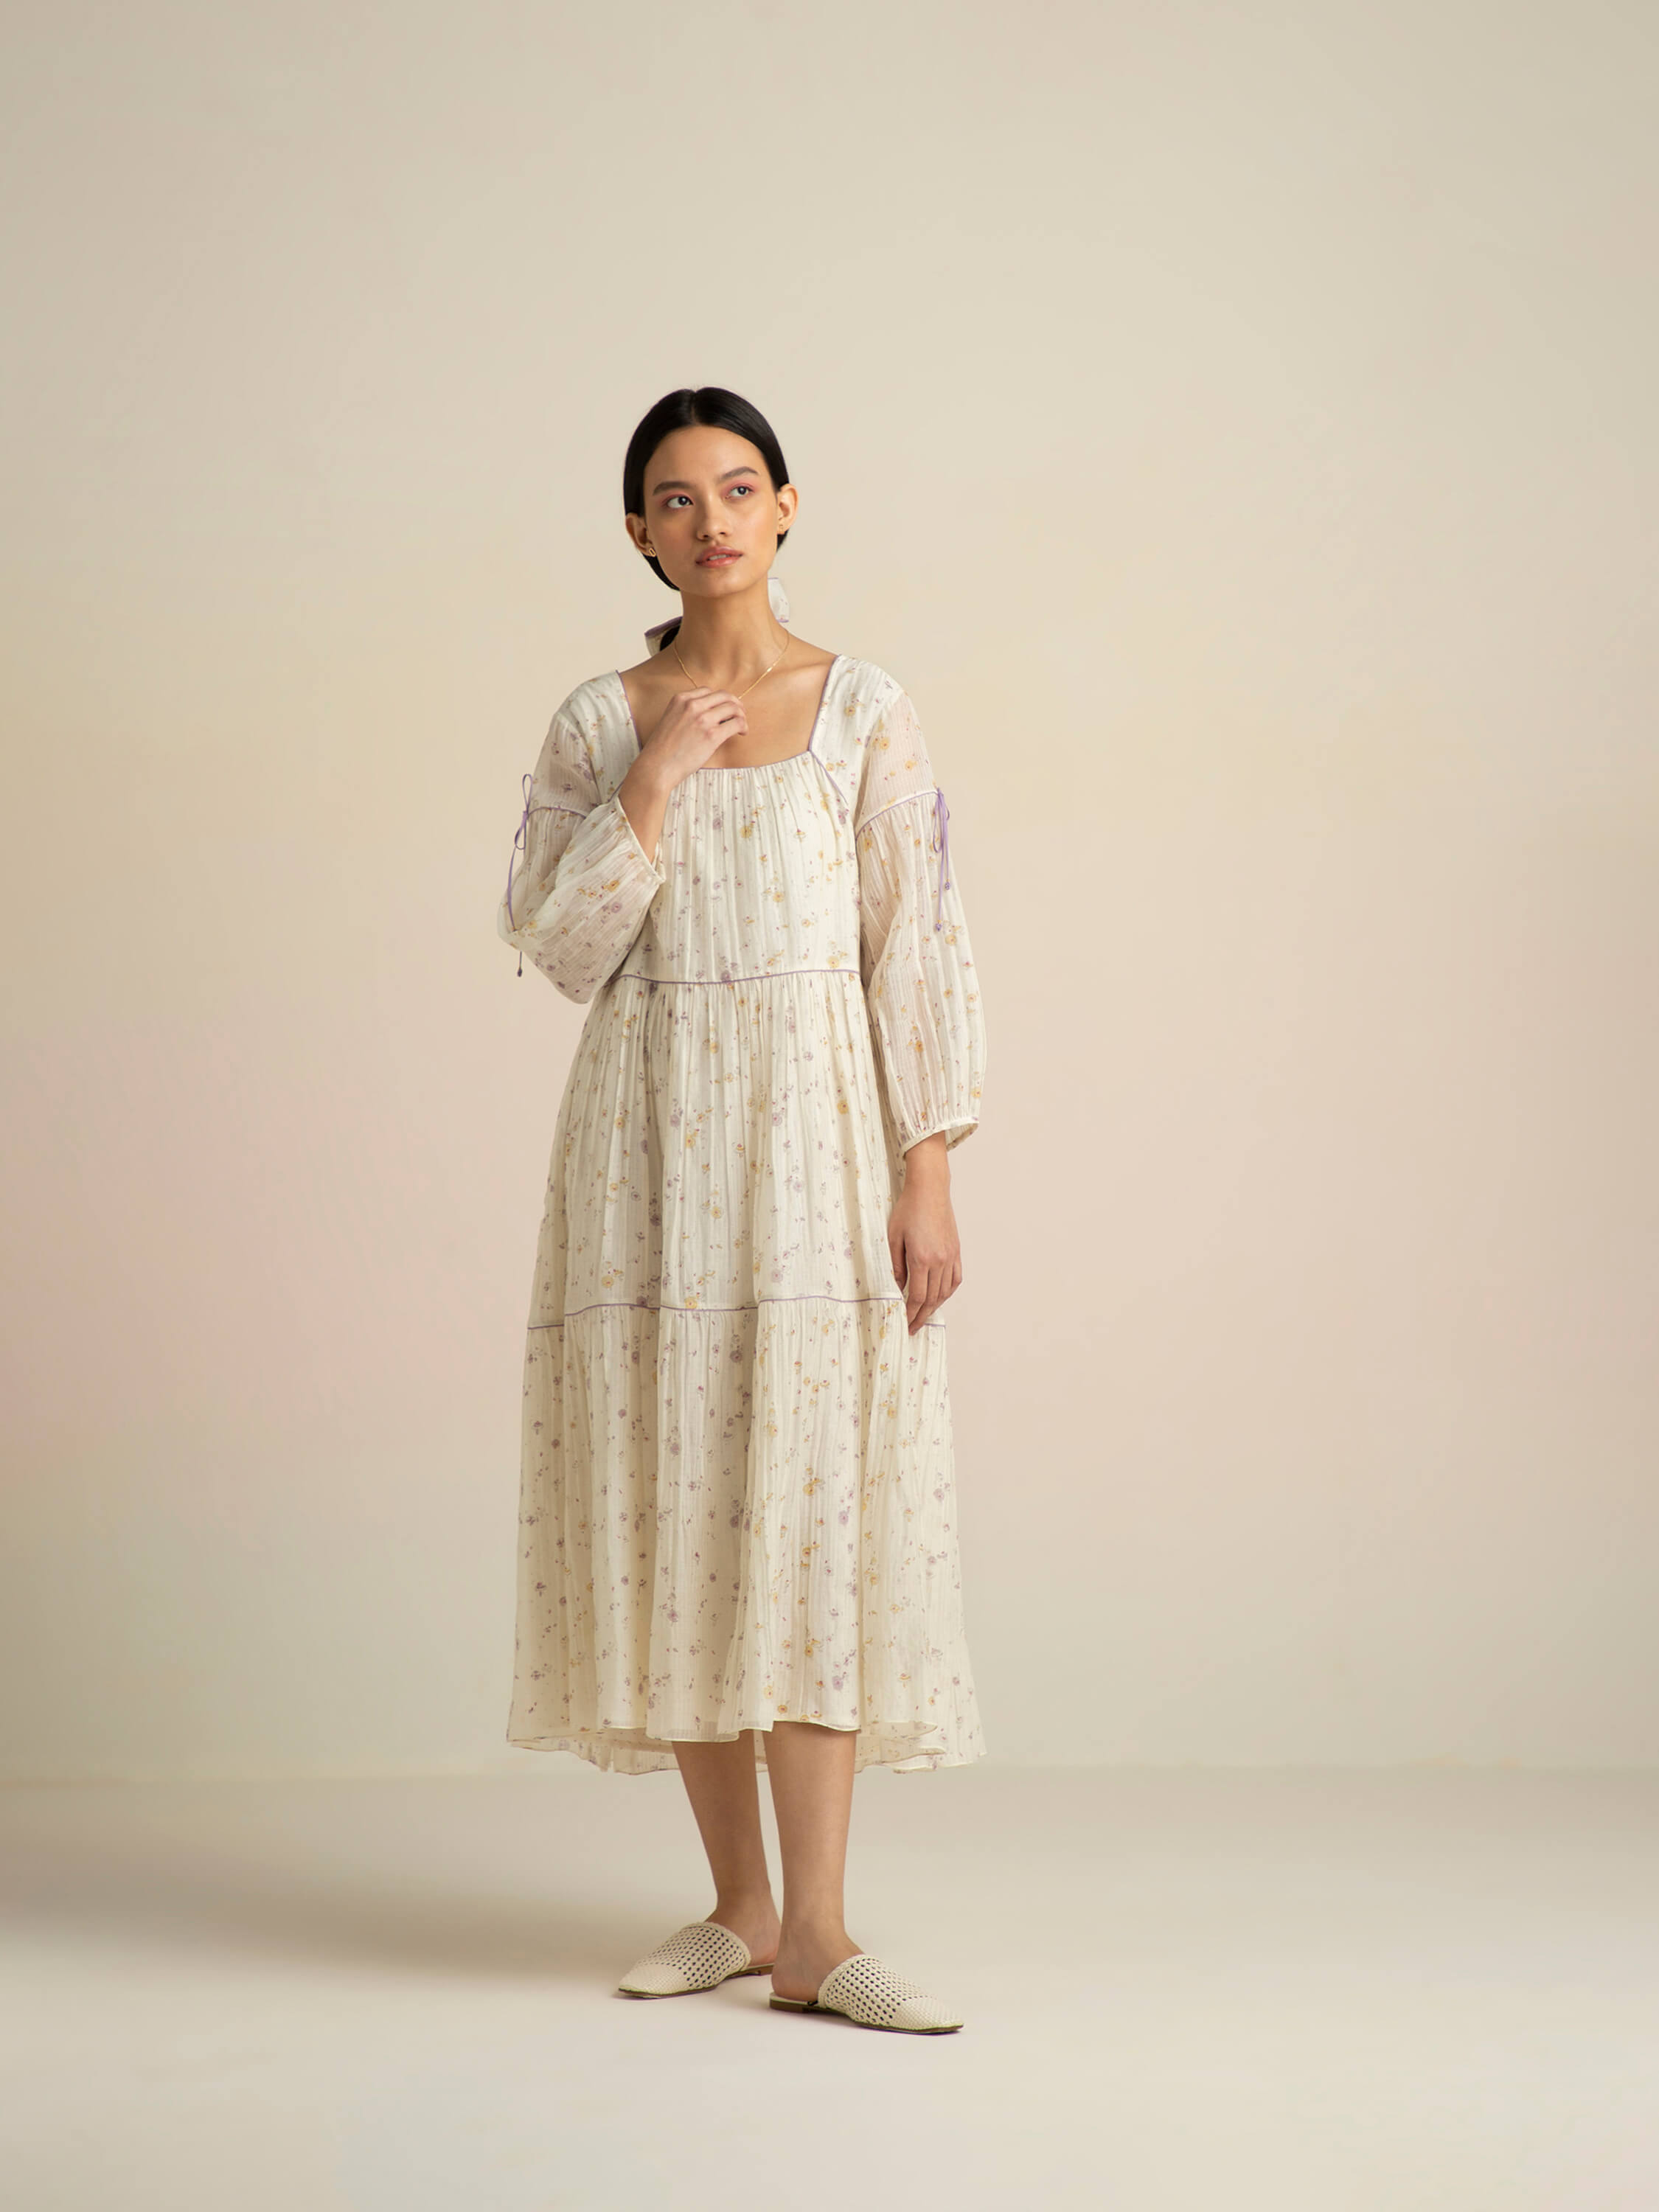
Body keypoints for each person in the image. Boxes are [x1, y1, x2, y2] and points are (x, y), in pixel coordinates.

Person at [497, 386, 989, 2035]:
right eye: (673, 496)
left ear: (787, 508)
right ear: (638, 530)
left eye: (738, 487)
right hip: (645, 1162)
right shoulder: (597, 721)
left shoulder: (864, 708)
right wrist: (647, 787)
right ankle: (738, 1905)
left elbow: (916, 940)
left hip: (820, 1150)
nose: (710, 518)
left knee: (815, 1509)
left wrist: (929, 1166)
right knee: (678, 1503)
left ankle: (821, 1936)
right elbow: (558, 954)